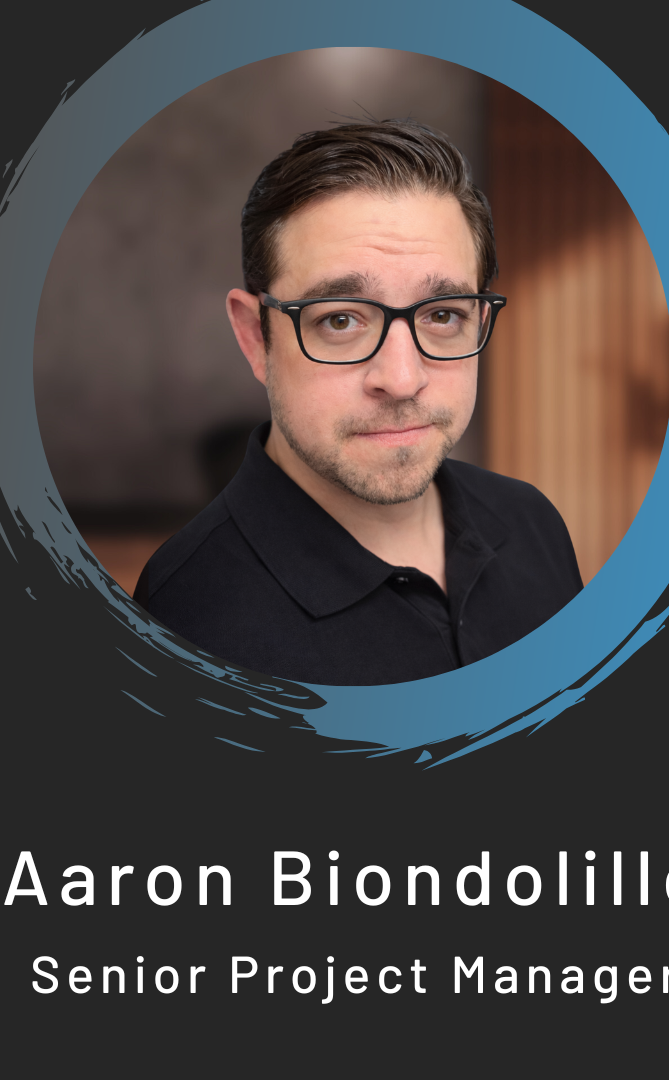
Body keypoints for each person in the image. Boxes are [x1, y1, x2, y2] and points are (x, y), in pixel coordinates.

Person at [133, 119, 582, 685]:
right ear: (255, 337)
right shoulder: (187, 621)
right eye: (341, 320)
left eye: (443, 315)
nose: (402, 379)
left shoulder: (533, 523)